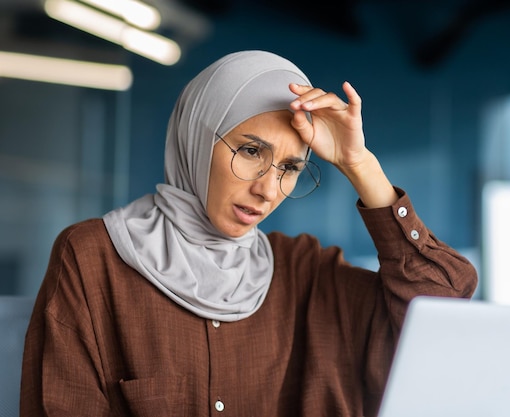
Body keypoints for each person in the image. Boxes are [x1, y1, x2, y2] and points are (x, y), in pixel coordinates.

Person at [20, 50, 477, 417]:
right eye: (250, 151)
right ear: (197, 139)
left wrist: (360, 166)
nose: (267, 189)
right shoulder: (94, 258)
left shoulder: (308, 273)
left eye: (291, 168)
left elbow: (444, 311)